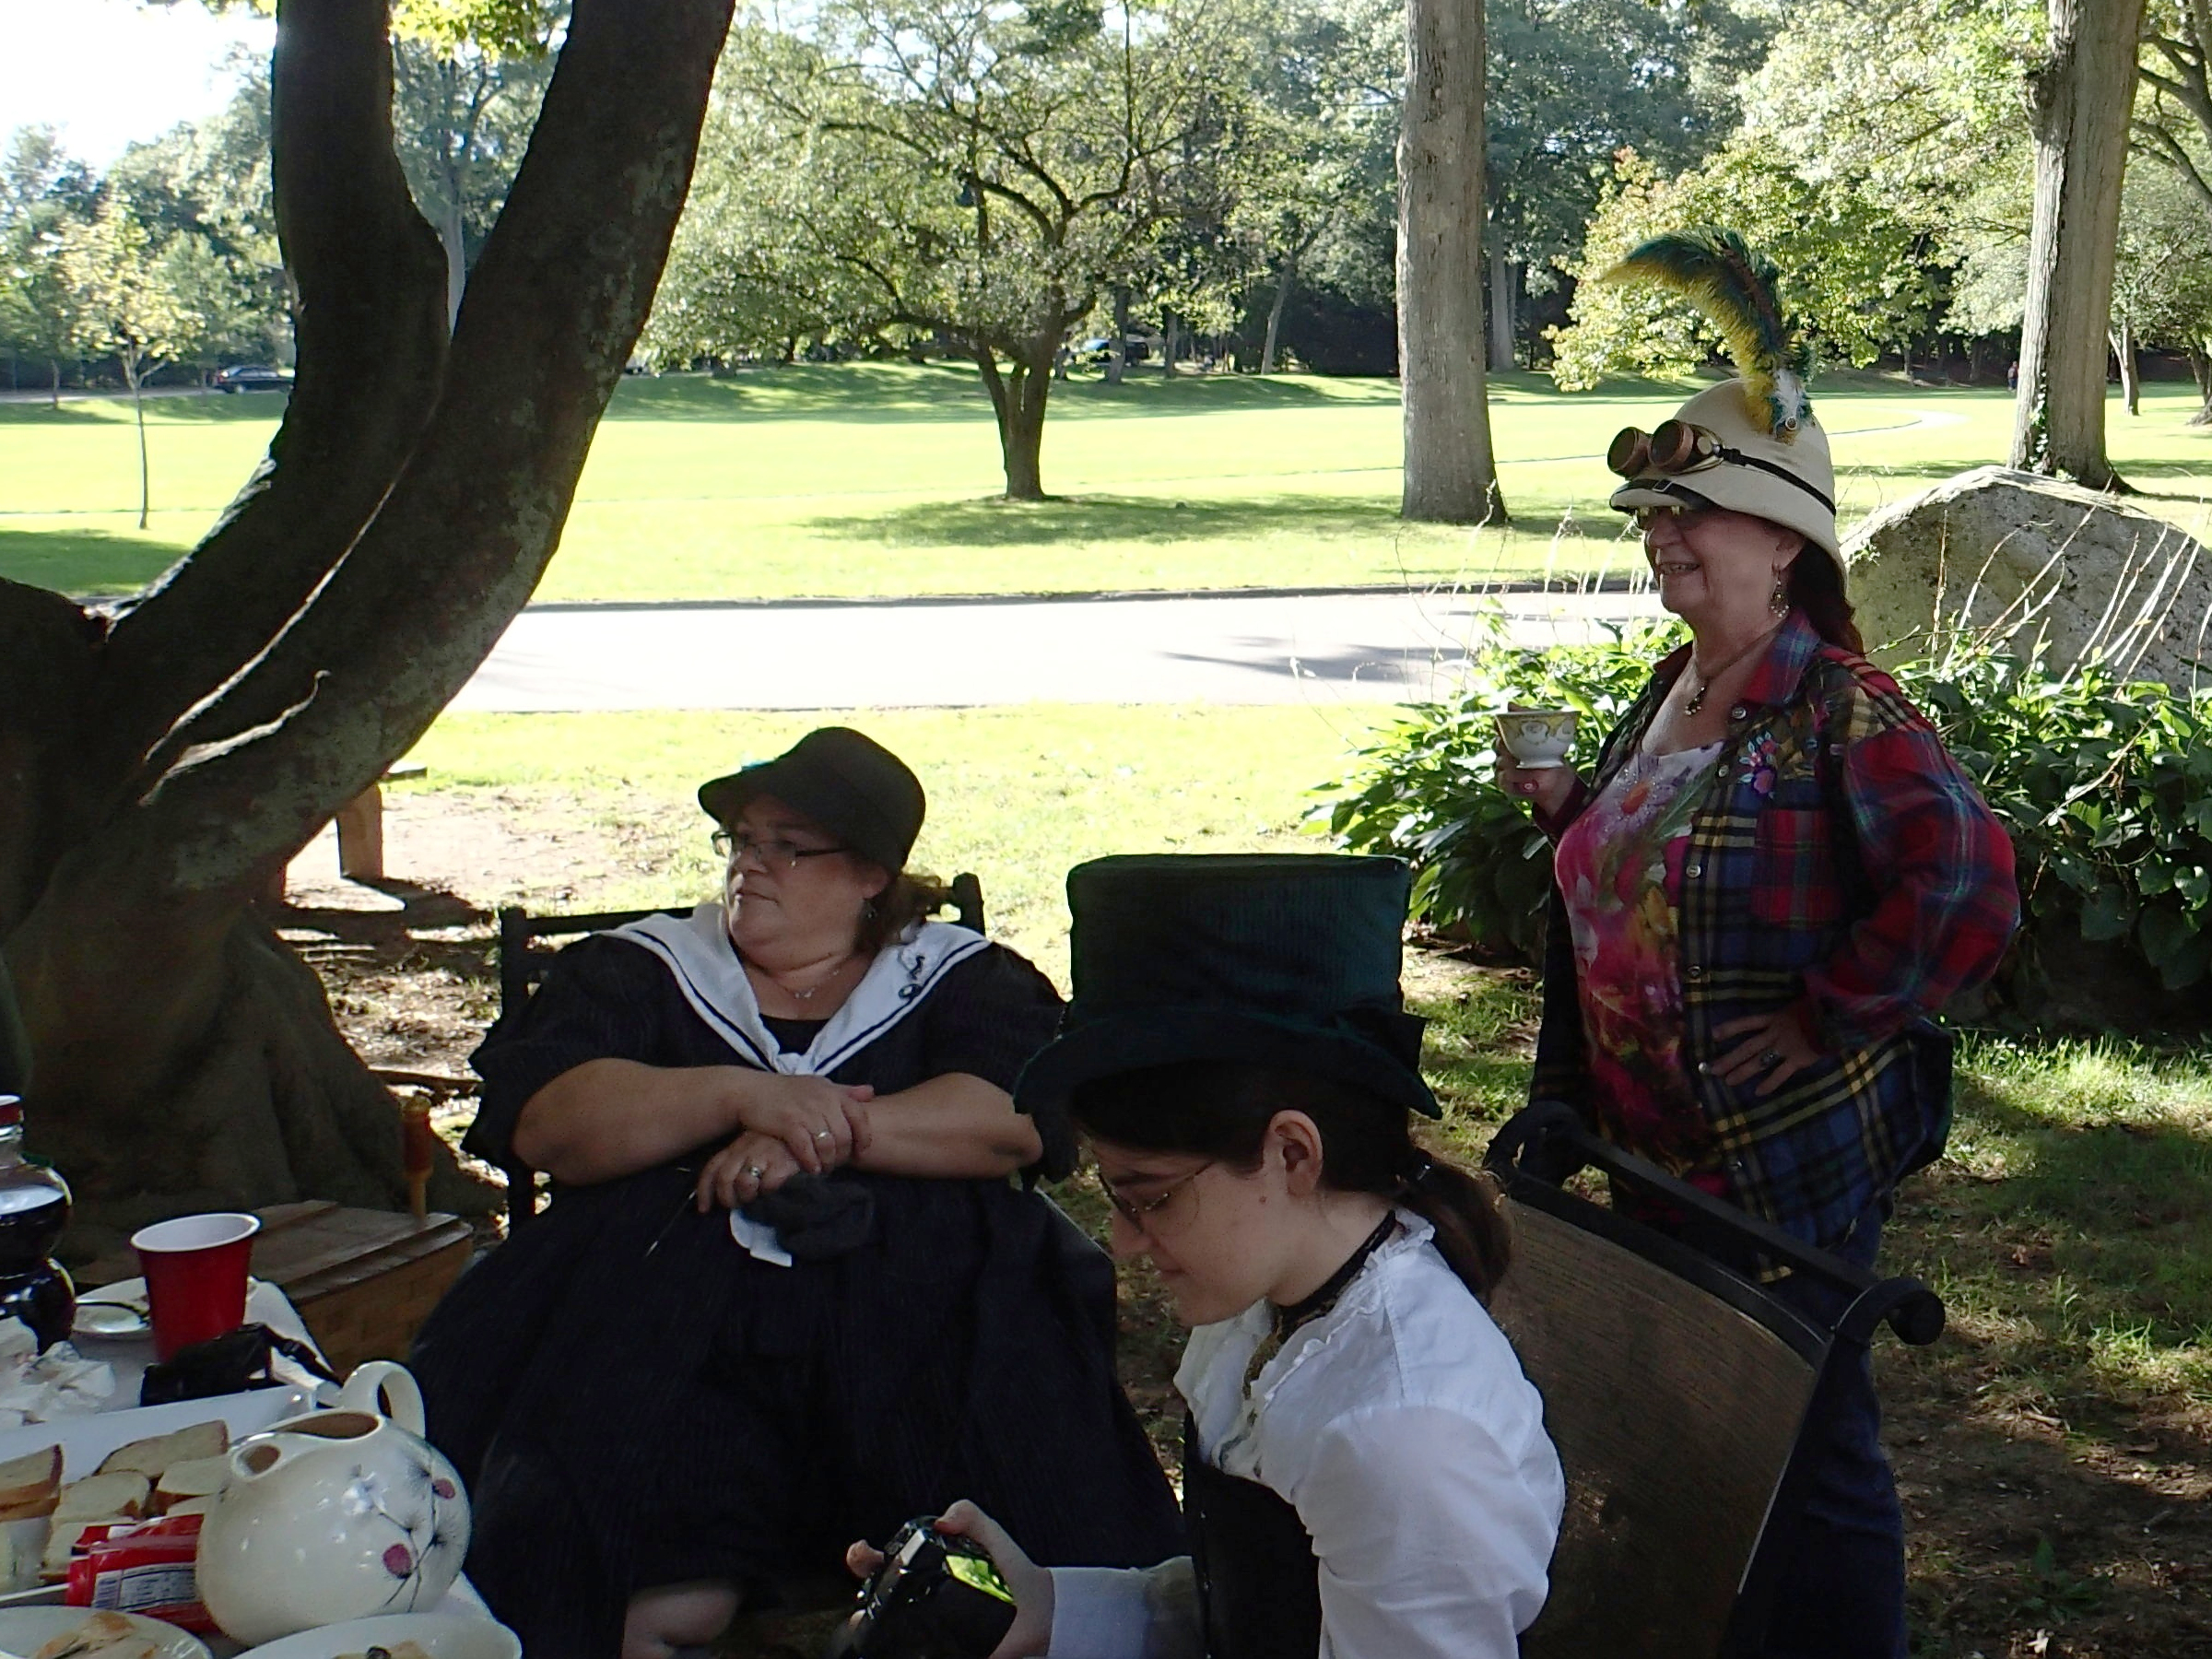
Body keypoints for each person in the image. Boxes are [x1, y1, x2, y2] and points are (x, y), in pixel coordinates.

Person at [1494, 229, 2018, 1659]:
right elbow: (1660, 881)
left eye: (1694, 514)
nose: (1661, 537)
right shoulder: (1675, 689)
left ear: (1785, 540)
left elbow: (1969, 883)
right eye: (1652, 517)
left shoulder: (1845, 709)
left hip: (1780, 1166)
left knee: (1809, 1450)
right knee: (1698, 1441)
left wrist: (1830, 1012)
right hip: (1646, 1152)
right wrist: (1574, 818)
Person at [409, 727, 1182, 1659]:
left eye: (788, 845)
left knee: (990, 1552)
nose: (750, 863)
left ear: (869, 875)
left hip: (920, 1328)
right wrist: (743, 1096)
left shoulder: (955, 978)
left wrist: (812, 1132)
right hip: (663, 1325)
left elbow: (1011, 1119)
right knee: (628, 1579)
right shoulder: (640, 970)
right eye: (742, 840)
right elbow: (551, 1124)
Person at [849, 854, 1564, 1659]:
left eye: (1149, 1196)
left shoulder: (1401, 1434)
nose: (1123, 1241)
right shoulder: (1270, 1299)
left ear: (1293, 1154)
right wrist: (1048, 1607)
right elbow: (1259, 1603)